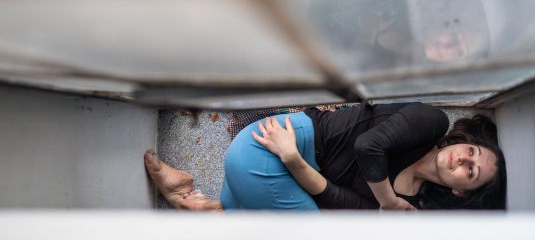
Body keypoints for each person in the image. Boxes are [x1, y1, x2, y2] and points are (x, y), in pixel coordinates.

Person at [144, 103, 506, 212]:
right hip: (270, 144)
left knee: (233, 216)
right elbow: (369, 148)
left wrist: (295, 162)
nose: (462, 161)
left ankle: (188, 196)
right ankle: (197, 207)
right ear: (461, 143)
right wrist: (389, 202)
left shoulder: (406, 204)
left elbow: (330, 197)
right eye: (470, 152)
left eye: (471, 172)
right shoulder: (430, 124)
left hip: (287, 163)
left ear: (461, 192)